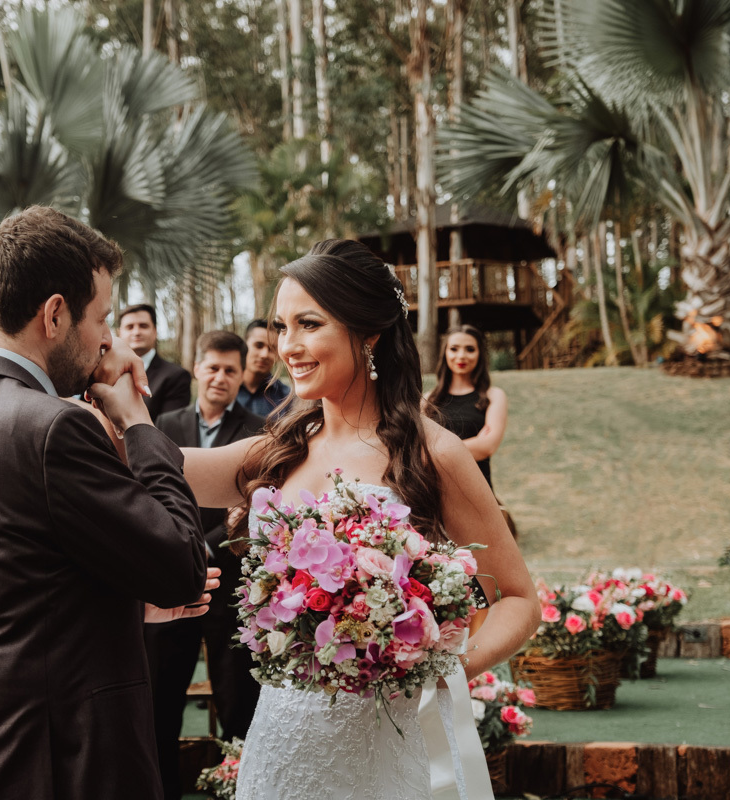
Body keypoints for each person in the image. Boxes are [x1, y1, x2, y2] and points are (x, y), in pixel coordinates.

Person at [93, 239, 541, 800]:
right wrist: (113, 390)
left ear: (369, 332)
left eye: (308, 325)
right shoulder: (279, 450)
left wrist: (432, 668)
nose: (289, 347)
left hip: (394, 741)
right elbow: (160, 469)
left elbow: (520, 598)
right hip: (285, 740)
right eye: (282, 327)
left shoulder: (435, 454)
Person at [0, 206, 215, 800]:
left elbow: (18, 589)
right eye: (102, 318)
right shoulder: (50, 427)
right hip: (62, 766)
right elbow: (182, 563)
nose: (109, 339)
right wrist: (137, 424)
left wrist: (124, 608)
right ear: (54, 314)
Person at [149, 330, 265, 800]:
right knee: (160, 700)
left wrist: (206, 546)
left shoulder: (259, 429)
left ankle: (243, 787)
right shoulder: (164, 423)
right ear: (196, 369)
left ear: (242, 376)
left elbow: (256, 504)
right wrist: (177, 549)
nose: (220, 377)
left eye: (230, 370)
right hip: (167, 586)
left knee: (238, 702)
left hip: (231, 587)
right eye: (212, 367)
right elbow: (148, 493)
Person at [425, 325, 508, 489]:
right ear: (445, 353)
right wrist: (474, 443)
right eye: (454, 349)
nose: (461, 356)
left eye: (470, 349)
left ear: (479, 354)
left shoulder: (494, 396)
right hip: (434, 490)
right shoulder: (428, 400)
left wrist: (433, 453)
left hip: (476, 489)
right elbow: (417, 451)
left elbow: (486, 447)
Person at [119, 303, 192, 417]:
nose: (136, 332)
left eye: (143, 326)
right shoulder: (102, 370)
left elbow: (168, 427)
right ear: (120, 333)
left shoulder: (176, 376)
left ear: (155, 332)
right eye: (130, 327)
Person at [236, 318, 290, 418]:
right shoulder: (225, 387)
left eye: (272, 349)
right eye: (258, 345)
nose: (264, 355)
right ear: (244, 347)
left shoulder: (287, 398)